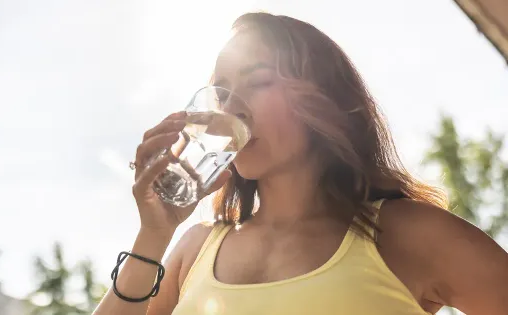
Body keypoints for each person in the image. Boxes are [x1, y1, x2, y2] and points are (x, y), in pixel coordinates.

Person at [94, 12, 508, 315]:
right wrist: (154, 233)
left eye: (258, 83)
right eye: (221, 92)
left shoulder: (408, 234)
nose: (232, 110)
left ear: (327, 101)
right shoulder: (195, 248)